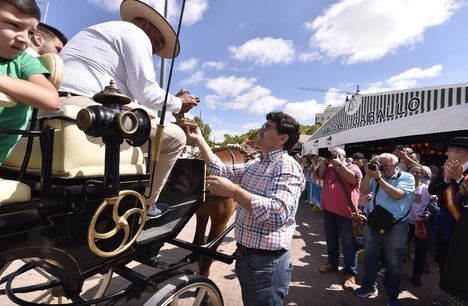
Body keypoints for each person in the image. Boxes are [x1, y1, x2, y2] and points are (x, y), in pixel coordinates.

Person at [54, 0, 198, 216]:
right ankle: (148, 204)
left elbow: (137, 100)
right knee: (176, 137)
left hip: (61, 105)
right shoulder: (135, 33)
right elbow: (147, 93)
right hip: (90, 110)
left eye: (159, 48)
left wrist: (171, 105)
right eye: (157, 42)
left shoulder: (102, 34)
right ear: (145, 23)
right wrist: (180, 103)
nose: (156, 49)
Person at [186, 111, 305, 306]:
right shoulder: (257, 164)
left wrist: (233, 191)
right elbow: (222, 170)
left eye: (267, 127)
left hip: (267, 263)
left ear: (283, 138)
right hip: (247, 256)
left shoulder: (287, 166)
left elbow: (277, 213)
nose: (261, 129)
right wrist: (199, 139)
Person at [0, 0, 59, 165]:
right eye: (14, 24)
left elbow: (50, 99)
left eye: (31, 33)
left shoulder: (23, 60)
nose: (24, 39)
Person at [355, 153, 415, 306]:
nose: (381, 167)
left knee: (394, 262)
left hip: (396, 225)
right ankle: (369, 286)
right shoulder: (377, 176)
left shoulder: (407, 177)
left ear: (396, 165)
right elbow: (363, 191)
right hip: (374, 221)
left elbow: (397, 194)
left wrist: (378, 178)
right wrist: (369, 175)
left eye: (385, 165)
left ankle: (392, 295)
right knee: (370, 256)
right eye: (378, 164)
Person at [315, 147, 362, 290]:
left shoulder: (353, 167)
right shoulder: (328, 168)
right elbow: (318, 176)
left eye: (336, 154)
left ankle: (350, 274)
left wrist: (339, 165)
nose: (333, 157)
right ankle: (332, 263)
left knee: (348, 244)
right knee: (331, 239)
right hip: (329, 211)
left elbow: (353, 180)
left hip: (346, 214)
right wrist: (324, 162)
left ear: (344, 156)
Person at [429, 137, 468, 302]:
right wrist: (446, 179)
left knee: (460, 265)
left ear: (462, 152)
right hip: (445, 222)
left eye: (449, 150)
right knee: (442, 259)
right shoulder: (446, 168)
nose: (445, 153)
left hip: (463, 227)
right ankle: (444, 296)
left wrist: (459, 178)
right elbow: (433, 189)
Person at [407, 164, 432, 287]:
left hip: (420, 224)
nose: (415, 174)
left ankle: (417, 275)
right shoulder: (403, 186)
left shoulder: (427, 189)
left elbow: (434, 204)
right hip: (405, 222)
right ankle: (388, 268)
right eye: (412, 171)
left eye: (418, 172)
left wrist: (429, 213)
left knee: (420, 252)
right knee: (397, 248)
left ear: (422, 175)